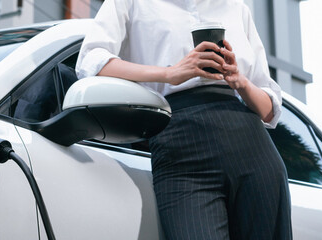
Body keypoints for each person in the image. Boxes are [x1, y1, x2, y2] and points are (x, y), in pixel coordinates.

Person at [75, 0, 291, 239]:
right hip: (179, 144)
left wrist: (240, 80)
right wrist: (170, 73)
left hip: (252, 146)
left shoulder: (237, 7)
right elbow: (89, 61)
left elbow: (270, 110)